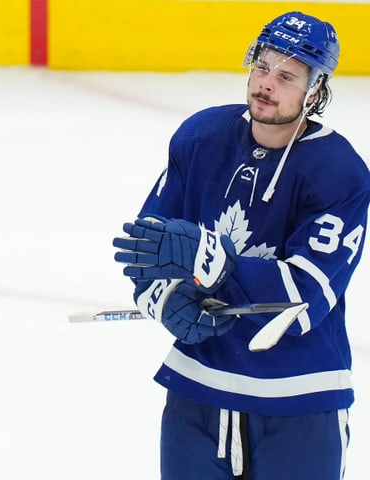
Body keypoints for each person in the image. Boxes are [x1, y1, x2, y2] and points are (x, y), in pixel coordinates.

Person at [113, 12, 370, 480]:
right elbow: (147, 248)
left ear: (314, 91)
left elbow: (304, 297)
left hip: (300, 400)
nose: (266, 83)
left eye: (287, 76)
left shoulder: (339, 171)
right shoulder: (201, 136)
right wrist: (167, 298)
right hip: (198, 392)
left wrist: (211, 263)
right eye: (262, 66)